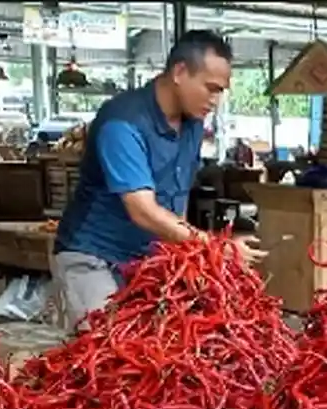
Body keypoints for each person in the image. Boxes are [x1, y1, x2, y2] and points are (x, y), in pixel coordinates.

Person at [53, 30, 265, 332]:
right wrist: (215, 246)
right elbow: (143, 210)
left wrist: (187, 257)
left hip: (146, 259)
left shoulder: (192, 123)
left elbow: (176, 201)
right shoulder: (123, 123)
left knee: (167, 351)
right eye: (211, 88)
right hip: (94, 257)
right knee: (103, 353)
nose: (216, 100)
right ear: (179, 72)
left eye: (221, 91)